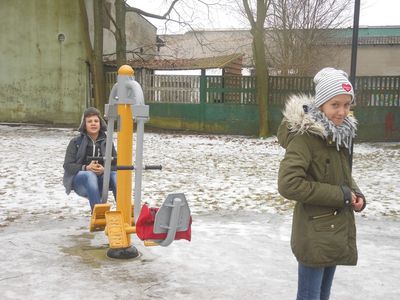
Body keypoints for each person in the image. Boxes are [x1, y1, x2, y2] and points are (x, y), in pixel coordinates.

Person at [277, 67, 366, 300]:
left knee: (322, 295)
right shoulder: (305, 138)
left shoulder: (337, 135)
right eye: (335, 104)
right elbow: (289, 184)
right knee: (309, 296)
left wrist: (356, 194)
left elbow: (342, 176)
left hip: (333, 231)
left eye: (347, 105)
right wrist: (341, 195)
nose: (342, 111)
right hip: (313, 232)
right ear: (321, 105)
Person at [63, 107, 117, 211]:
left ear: (100, 123)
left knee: (115, 175)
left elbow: (116, 163)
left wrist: (104, 169)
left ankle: (125, 211)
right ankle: (98, 213)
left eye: (96, 121)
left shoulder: (107, 142)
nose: (93, 124)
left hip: (101, 180)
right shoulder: (75, 142)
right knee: (89, 175)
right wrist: (86, 167)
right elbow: (67, 165)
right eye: (89, 121)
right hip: (81, 182)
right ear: (85, 124)